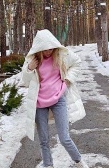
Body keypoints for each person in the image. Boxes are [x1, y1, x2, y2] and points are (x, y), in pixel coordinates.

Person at [21, 29, 88, 168]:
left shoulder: (61, 55)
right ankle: (48, 165)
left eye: (51, 48)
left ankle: (78, 161)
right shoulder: (32, 60)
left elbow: (77, 63)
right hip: (39, 103)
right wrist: (29, 68)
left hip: (59, 99)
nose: (49, 51)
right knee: (44, 140)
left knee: (64, 137)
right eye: (45, 49)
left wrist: (67, 81)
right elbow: (25, 81)